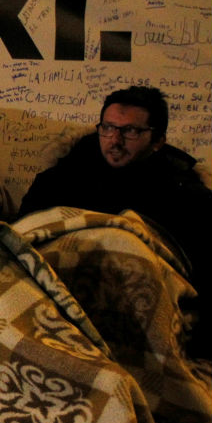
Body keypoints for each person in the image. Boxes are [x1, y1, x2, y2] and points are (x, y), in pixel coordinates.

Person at [19, 84, 212, 353]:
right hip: (59, 306)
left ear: (158, 140)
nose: (115, 140)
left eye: (131, 131)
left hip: (143, 319)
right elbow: (23, 239)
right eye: (108, 128)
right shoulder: (59, 180)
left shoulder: (186, 195)